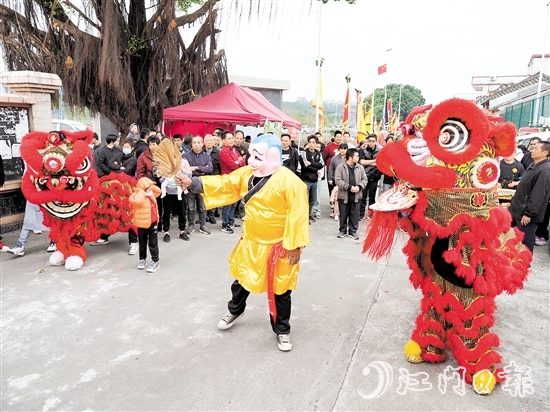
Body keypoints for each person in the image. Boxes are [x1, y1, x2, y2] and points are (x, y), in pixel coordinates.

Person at [174, 134, 310, 351]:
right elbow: (226, 183)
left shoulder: (291, 182)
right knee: (241, 281)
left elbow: (299, 215)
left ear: (273, 157)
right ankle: (235, 310)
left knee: (281, 290)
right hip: (251, 241)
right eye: (251, 156)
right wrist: (194, 182)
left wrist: (295, 245)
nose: (252, 161)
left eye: (258, 157)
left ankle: (282, 330)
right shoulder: (248, 173)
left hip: (278, 246)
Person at [509, 141, 550, 253]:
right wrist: (512, 202)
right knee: (515, 238)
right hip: (518, 209)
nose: (532, 150)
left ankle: (525, 265)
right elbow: (523, 188)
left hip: (526, 214)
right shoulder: (533, 165)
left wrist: (529, 213)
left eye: (536, 148)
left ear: (545, 152)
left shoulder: (545, 169)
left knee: (526, 241)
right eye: (532, 148)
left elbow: (539, 194)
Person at [108, 138, 139, 254]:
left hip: (128, 189)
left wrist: (118, 167)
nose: (125, 149)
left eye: (128, 147)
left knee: (129, 215)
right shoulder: (119, 154)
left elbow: (127, 171)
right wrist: (119, 168)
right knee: (110, 211)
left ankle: (133, 242)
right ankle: (104, 236)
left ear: (132, 148)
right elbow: (110, 164)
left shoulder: (133, 159)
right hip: (115, 188)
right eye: (124, 146)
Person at [334, 148, 368, 240]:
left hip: (357, 195)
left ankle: (353, 231)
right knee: (343, 214)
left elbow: (365, 179)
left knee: (355, 214)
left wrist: (359, 187)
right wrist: (349, 187)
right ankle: (343, 230)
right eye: (356, 156)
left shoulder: (360, 167)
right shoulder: (340, 167)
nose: (358, 157)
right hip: (344, 195)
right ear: (350, 157)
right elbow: (338, 180)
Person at [129, 177, 161, 273]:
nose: (151, 190)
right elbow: (136, 201)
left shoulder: (151, 195)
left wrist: (150, 185)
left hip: (153, 223)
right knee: (142, 243)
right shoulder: (137, 196)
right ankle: (142, 259)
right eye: (148, 188)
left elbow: (158, 191)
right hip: (142, 224)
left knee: (153, 243)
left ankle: (155, 261)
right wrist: (142, 192)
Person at [183, 135, 213, 235]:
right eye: (194, 143)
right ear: (192, 144)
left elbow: (209, 169)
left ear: (202, 144)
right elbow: (185, 169)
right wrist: (202, 168)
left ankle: (203, 225)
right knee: (190, 207)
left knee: (202, 207)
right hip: (190, 182)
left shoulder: (206, 156)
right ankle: (191, 225)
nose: (196, 145)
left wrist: (195, 168)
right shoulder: (186, 156)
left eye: (198, 143)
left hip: (203, 183)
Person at [218, 131, 246, 233]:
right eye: (229, 138)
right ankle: (225, 224)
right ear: (224, 140)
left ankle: (230, 221)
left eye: (232, 138)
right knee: (228, 203)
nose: (231, 140)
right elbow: (233, 165)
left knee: (234, 202)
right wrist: (238, 161)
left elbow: (243, 161)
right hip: (228, 179)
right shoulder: (224, 152)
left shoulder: (233, 149)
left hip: (236, 179)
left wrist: (239, 161)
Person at [299, 135, 324, 224]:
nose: (311, 144)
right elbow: (305, 166)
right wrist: (316, 169)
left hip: (315, 180)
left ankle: (309, 215)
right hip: (306, 179)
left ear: (316, 143)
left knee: (313, 199)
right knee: (305, 199)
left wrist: (312, 163)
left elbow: (321, 164)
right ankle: (304, 216)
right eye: (310, 142)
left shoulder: (318, 154)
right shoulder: (303, 153)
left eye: (313, 142)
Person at [358, 134, 381, 220]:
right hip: (364, 176)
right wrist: (375, 161)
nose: (371, 143)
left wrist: (368, 162)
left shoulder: (380, 151)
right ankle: (361, 213)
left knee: (372, 197)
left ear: (376, 141)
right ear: (367, 141)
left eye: (373, 141)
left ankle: (371, 213)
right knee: (363, 196)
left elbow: (380, 164)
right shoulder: (362, 150)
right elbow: (362, 162)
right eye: (369, 141)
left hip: (375, 176)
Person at [204, 134, 220, 224]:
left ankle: (211, 215)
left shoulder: (218, 153)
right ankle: (204, 215)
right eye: (207, 141)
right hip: (204, 177)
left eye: (211, 141)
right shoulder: (201, 151)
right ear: (204, 142)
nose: (209, 143)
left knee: (213, 197)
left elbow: (220, 166)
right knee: (204, 197)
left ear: (214, 142)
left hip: (214, 176)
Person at [323, 130, 343, 201]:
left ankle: (338, 200)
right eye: (337, 137)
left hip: (341, 170)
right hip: (331, 169)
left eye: (340, 137)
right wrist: (328, 165)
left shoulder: (343, 146)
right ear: (334, 137)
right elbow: (324, 157)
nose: (339, 138)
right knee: (331, 185)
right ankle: (332, 200)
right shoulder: (329, 147)